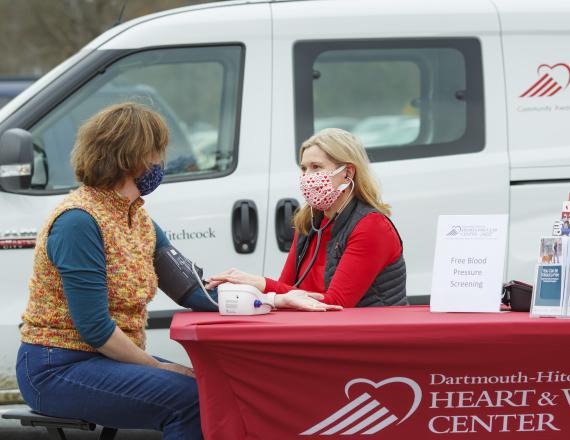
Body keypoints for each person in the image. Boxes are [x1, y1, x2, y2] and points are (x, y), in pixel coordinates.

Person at [15, 103, 338, 440]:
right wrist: (159, 367)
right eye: (157, 152)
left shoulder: (137, 219)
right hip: (56, 367)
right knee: (192, 400)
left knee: (222, 388)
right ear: (132, 156)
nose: (161, 163)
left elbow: (194, 291)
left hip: (100, 360)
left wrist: (273, 300)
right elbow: (95, 328)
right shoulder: (78, 222)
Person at [208, 128, 408, 307]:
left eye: (316, 167)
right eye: (303, 168)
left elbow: (336, 304)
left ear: (347, 173)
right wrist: (245, 286)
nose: (307, 176)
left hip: (366, 338)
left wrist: (260, 283)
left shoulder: (371, 226)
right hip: (317, 331)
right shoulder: (310, 221)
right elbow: (287, 288)